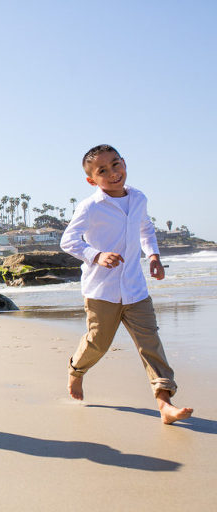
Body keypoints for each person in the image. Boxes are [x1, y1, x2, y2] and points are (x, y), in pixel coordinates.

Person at [60, 144, 193, 424]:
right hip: (101, 290)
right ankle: (76, 370)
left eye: (116, 164)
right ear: (92, 180)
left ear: (124, 163)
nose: (113, 173)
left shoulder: (139, 198)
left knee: (150, 343)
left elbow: (145, 227)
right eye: (103, 171)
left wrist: (153, 255)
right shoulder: (90, 207)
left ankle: (164, 403)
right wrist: (96, 255)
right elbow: (68, 241)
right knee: (98, 343)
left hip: (135, 288)